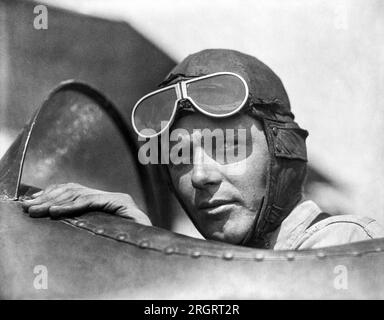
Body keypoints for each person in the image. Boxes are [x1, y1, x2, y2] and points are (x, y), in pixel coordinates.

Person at [22, 49, 384, 250]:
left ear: (282, 152)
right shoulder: (224, 260)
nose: (200, 175)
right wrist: (145, 248)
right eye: (179, 155)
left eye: (228, 145)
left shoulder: (341, 245)